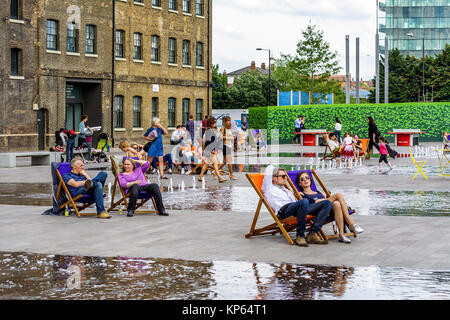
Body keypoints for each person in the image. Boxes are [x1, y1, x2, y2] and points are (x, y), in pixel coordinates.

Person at [262, 165, 329, 247]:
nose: (285, 178)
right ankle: (300, 236)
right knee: (304, 201)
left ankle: (312, 233)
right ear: (274, 178)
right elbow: (269, 169)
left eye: (285, 176)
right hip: (284, 211)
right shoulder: (269, 188)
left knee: (326, 203)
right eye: (283, 176)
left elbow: (295, 202)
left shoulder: (285, 189)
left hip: (296, 209)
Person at [295, 171, 364, 244]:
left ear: (310, 180)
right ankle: (351, 224)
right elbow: (304, 207)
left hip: (325, 210)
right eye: (302, 179)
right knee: (338, 195)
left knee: (337, 204)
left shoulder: (318, 192)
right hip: (313, 210)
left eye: (307, 178)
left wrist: (323, 200)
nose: (305, 180)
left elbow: (326, 204)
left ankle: (341, 234)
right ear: (299, 183)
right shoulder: (301, 194)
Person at [198, 117, 226, 183]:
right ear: (210, 123)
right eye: (214, 122)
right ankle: (219, 177)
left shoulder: (210, 130)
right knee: (215, 164)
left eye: (216, 122)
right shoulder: (209, 131)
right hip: (210, 150)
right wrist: (212, 150)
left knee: (206, 164)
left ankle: (200, 176)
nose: (215, 123)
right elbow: (208, 142)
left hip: (209, 150)